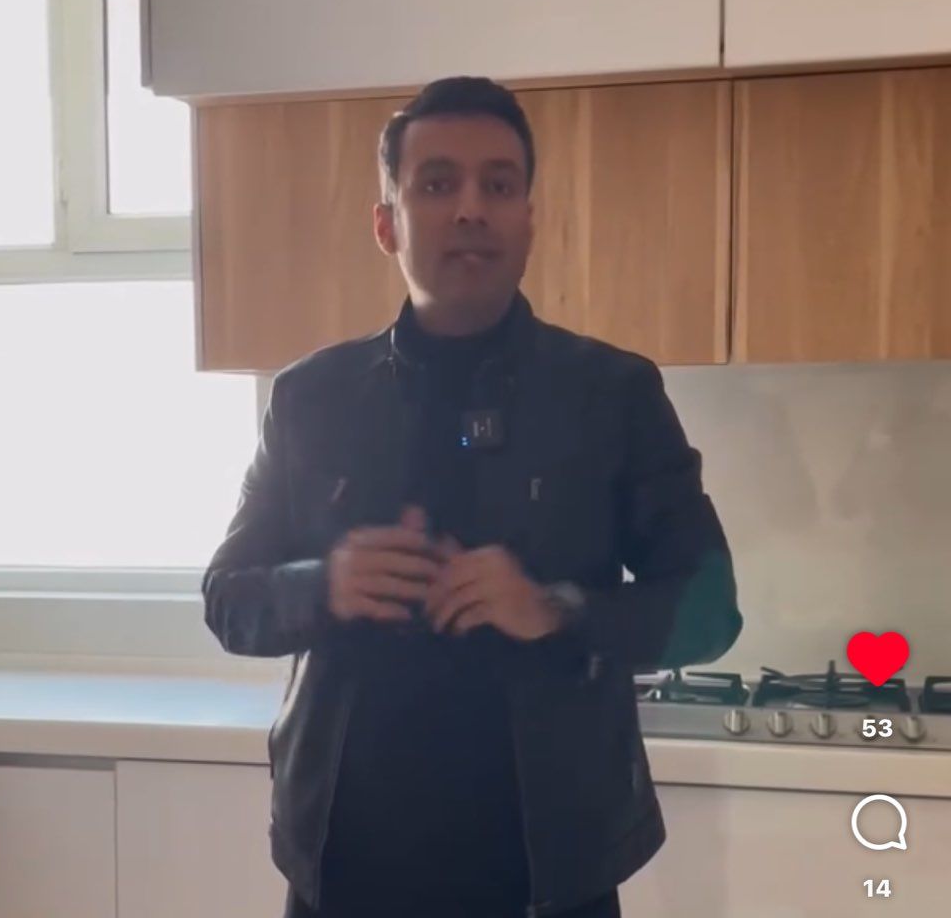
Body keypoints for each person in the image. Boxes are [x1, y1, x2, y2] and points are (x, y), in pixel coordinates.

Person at [202, 76, 743, 918]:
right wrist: (322, 584)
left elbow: (711, 611)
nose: (469, 209)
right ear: (386, 223)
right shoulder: (310, 397)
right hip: (345, 867)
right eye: (436, 183)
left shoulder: (612, 395)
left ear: (528, 218)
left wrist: (555, 610)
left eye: (498, 185)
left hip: (548, 875)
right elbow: (228, 600)